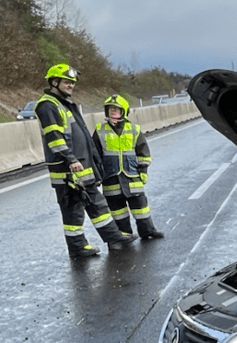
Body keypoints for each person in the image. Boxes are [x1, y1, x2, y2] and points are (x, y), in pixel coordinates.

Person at [35, 64, 136, 257]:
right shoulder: (48, 105)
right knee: (73, 208)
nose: (71, 86)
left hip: (80, 166)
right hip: (67, 170)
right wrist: (70, 159)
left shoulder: (64, 104)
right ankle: (79, 246)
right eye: (67, 82)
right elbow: (54, 137)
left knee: (94, 202)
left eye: (72, 83)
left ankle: (110, 237)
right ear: (54, 82)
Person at [93, 95, 164, 240]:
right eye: (111, 109)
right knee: (117, 208)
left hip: (132, 176)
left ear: (124, 111)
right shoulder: (100, 130)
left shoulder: (133, 129)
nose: (113, 112)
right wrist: (97, 175)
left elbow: (143, 152)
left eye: (117, 109)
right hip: (110, 177)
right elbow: (95, 155)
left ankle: (147, 230)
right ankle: (124, 233)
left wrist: (143, 171)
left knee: (140, 206)